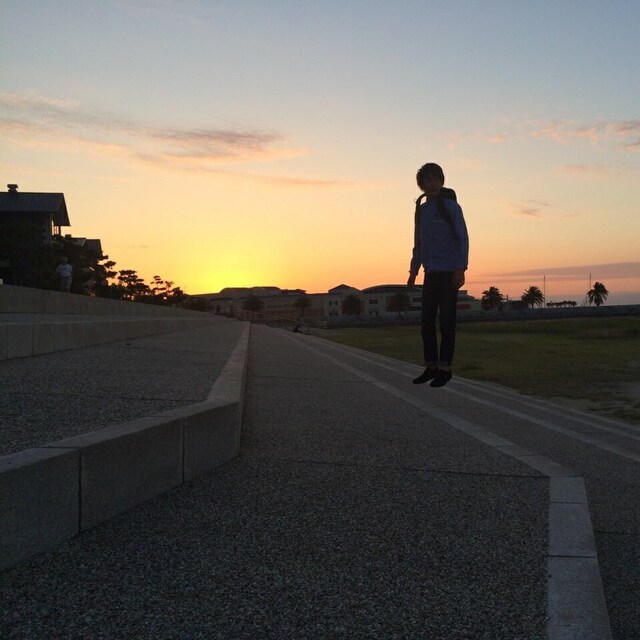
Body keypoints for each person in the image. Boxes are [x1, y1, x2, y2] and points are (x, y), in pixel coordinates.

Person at [407, 163, 469, 388]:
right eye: (427, 180)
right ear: (422, 185)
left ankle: (445, 368)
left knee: (447, 323)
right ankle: (431, 366)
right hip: (430, 273)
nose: (432, 184)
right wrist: (413, 271)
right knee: (426, 323)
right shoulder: (421, 211)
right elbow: (419, 243)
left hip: (449, 273)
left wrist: (460, 267)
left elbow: (462, 237)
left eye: (435, 179)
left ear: (442, 181)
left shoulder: (451, 207)